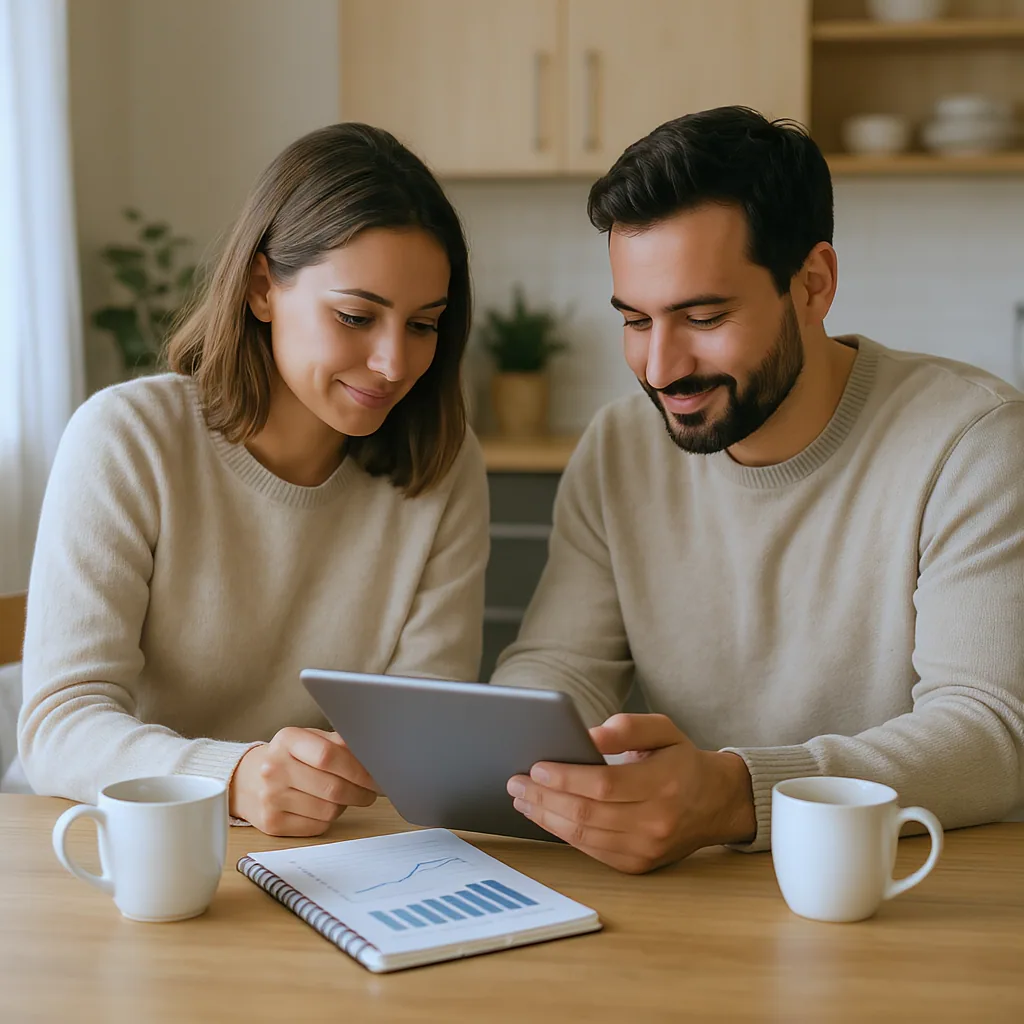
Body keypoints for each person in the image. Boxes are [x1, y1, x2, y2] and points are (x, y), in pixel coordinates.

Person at [492, 106, 1024, 873]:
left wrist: (737, 794)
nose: (661, 367)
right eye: (636, 320)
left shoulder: (972, 442)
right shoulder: (618, 448)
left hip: (908, 886)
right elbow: (561, 667)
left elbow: (990, 733)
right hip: (694, 892)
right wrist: (511, 743)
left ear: (812, 285)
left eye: (702, 316)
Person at [19, 123, 489, 836]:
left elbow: (421, 730)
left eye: (424, 325)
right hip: (113, 850)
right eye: (356, 316)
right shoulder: (127, 440)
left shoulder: (443, 467)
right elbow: (59, 727)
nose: (395, 363)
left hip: (321, 854)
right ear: (262, 288)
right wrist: (231, 777)